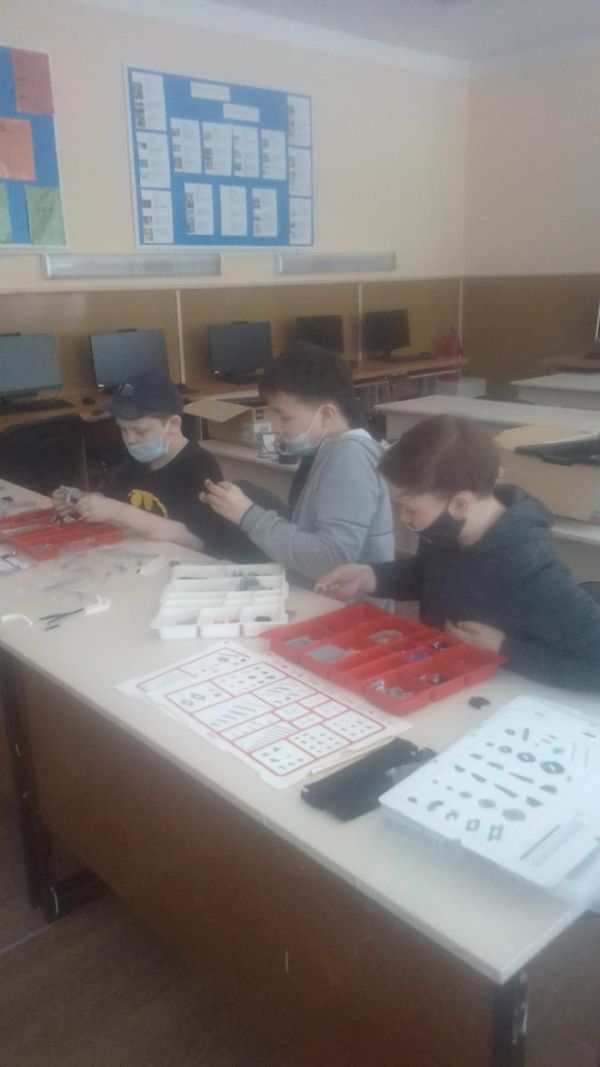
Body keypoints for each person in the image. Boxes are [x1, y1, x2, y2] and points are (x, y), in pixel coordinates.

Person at [316, 414, 600, 691]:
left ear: (460, 504)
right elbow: (430, 574)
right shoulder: (449, 529)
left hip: (503, 694)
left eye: (411, 508)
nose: (403, 517)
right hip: (449, 674)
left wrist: (504, 648)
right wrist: (371, 576)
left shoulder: (529, 569)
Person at [200, 343, 395, 588]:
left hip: (342, 604)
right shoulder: (330, 449)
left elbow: (333, 562)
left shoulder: (350, 457)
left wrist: (248, 515)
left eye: (285, 417)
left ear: (326, 414)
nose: (277, 428)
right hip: (318, 592)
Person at [52, 370, 264, 560]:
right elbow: (113, 501)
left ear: (173, 425)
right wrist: (81, 501)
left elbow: (197, 539)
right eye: (123, 429)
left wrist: (118, 511)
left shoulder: (198, 466)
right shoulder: (137, 461)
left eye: (140, 431)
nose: (130, 439)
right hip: (140, 559)